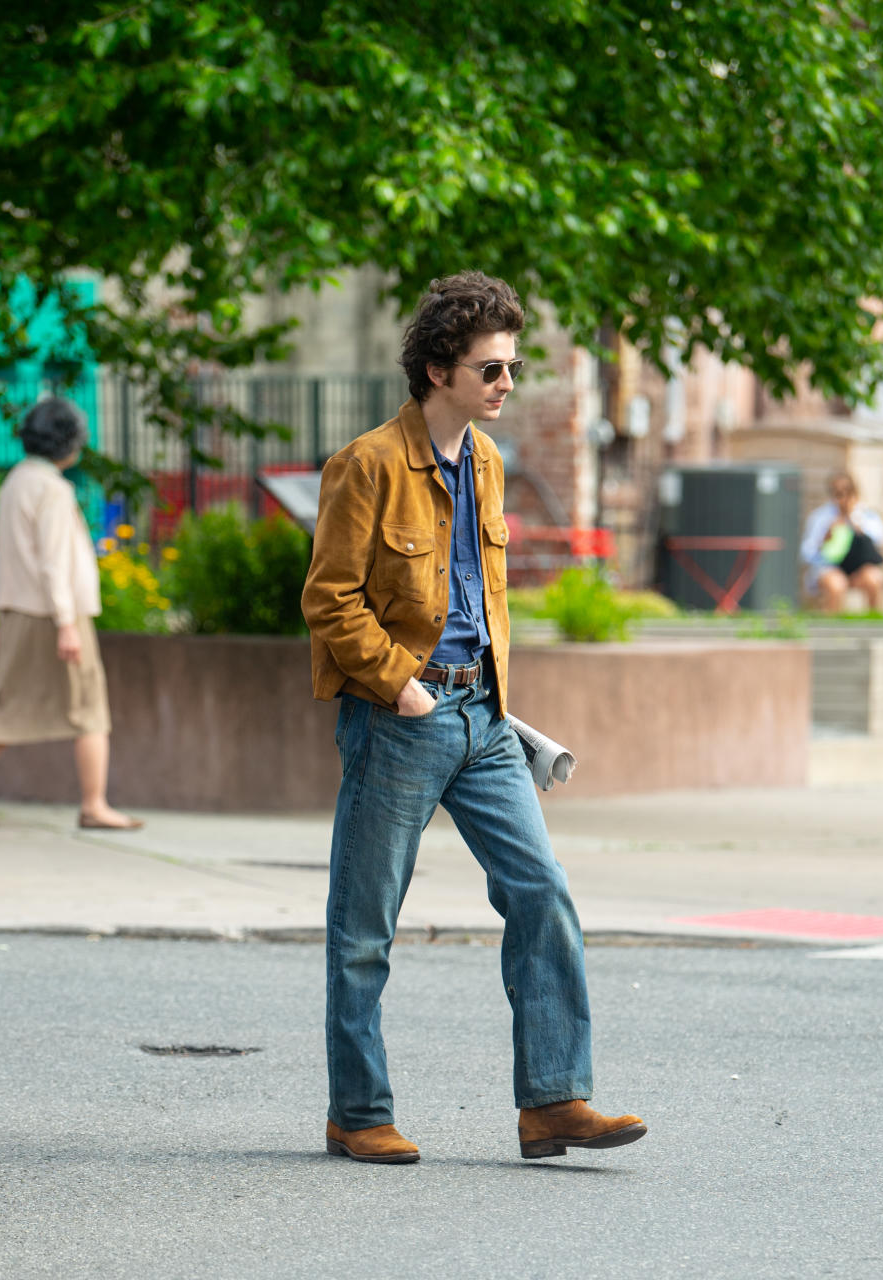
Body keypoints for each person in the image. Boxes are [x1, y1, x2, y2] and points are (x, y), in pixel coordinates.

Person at [301, 271, 647, 1164]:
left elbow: (477, 593)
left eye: (512, 367)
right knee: (366, 924)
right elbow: (329, 599)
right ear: (437, 371)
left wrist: (490, 694)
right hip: (401, 716)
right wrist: (398, 683)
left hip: (485, 719)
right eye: (490, 369)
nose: (505, 384)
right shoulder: (368, 464)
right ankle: (358, 1111)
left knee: (542, 892)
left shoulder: (488, 465)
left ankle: (554, 1102)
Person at [0, 397, 141, 830]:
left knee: (4, 710)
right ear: (68, 441)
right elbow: (54, 561)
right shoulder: (53, 489)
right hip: (55, 613)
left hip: (17, 611)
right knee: (89, 707)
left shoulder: (15, 482)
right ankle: (94, 804)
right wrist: (67, 624)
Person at [800, 471, 883, 613]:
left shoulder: (867, 515)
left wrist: (855, 524)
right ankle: (833, 629)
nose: (842, 497)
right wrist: (825, 538)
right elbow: (807, 552)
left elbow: (879, 541)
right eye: (838, 493)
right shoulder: (820, 517)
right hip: (831, 566)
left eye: (847, 491)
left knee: (874, 578)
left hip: (860, 567)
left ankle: (873, 620)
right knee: (836, 585)